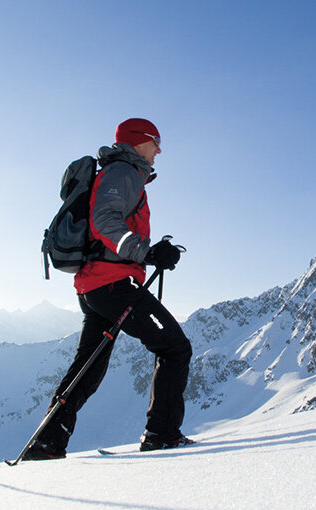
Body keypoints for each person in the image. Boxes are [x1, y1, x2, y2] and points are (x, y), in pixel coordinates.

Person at [26, 118, 193, 460]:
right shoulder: (123, 172)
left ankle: (47, 444)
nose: (159, 149)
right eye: (155, 141)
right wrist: (145, 251)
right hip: (111, 284)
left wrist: (146, 251)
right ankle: (161, 434)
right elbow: (105, 220)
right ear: (138, 141)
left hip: (94, 286)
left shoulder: (121, 173)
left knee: (88, 365)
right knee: (175, 347)